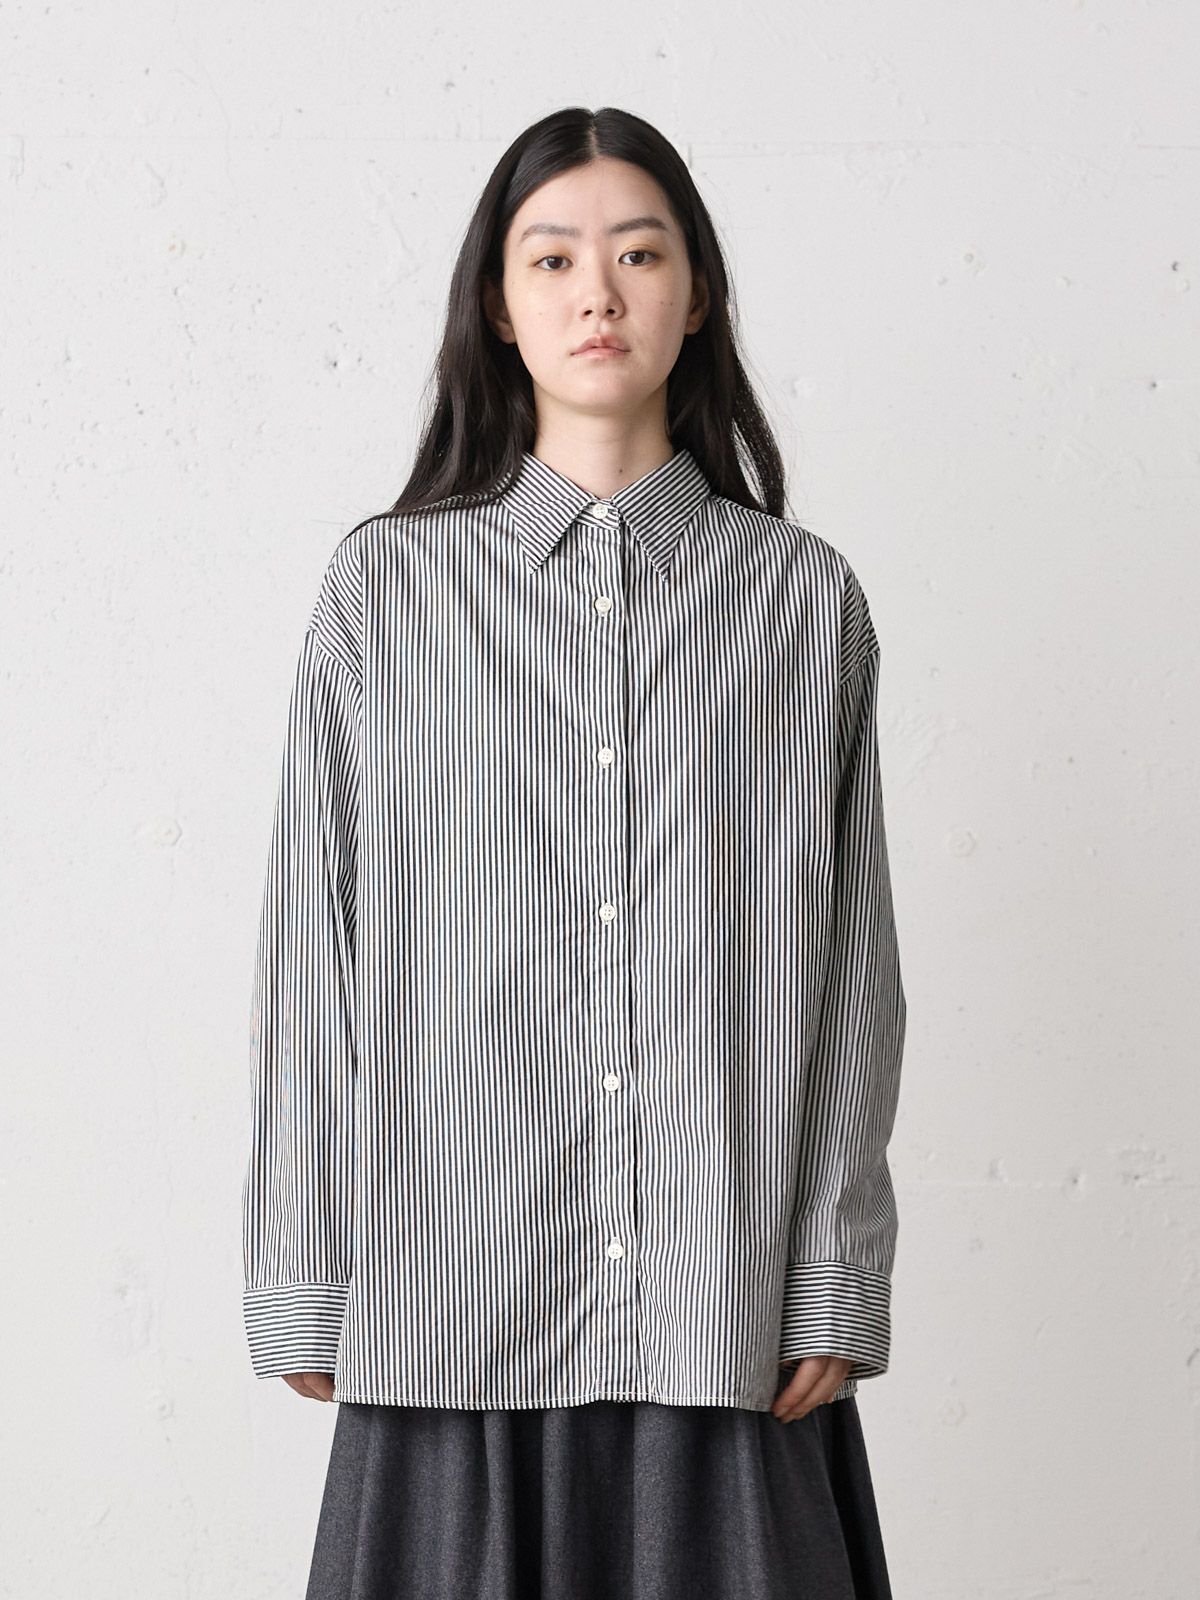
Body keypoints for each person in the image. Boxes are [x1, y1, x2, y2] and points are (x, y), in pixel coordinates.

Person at [241, 104, 907, 1600]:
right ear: (499, 304)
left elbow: (854, 970)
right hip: (450, 1304)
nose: (596, 292)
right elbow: (311, 952)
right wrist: (304, 1265)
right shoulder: (385, 595)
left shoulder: (803, 605)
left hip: (720, 1313)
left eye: (638, 254)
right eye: (551, 258)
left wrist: (833, 1262)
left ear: (699, 292)